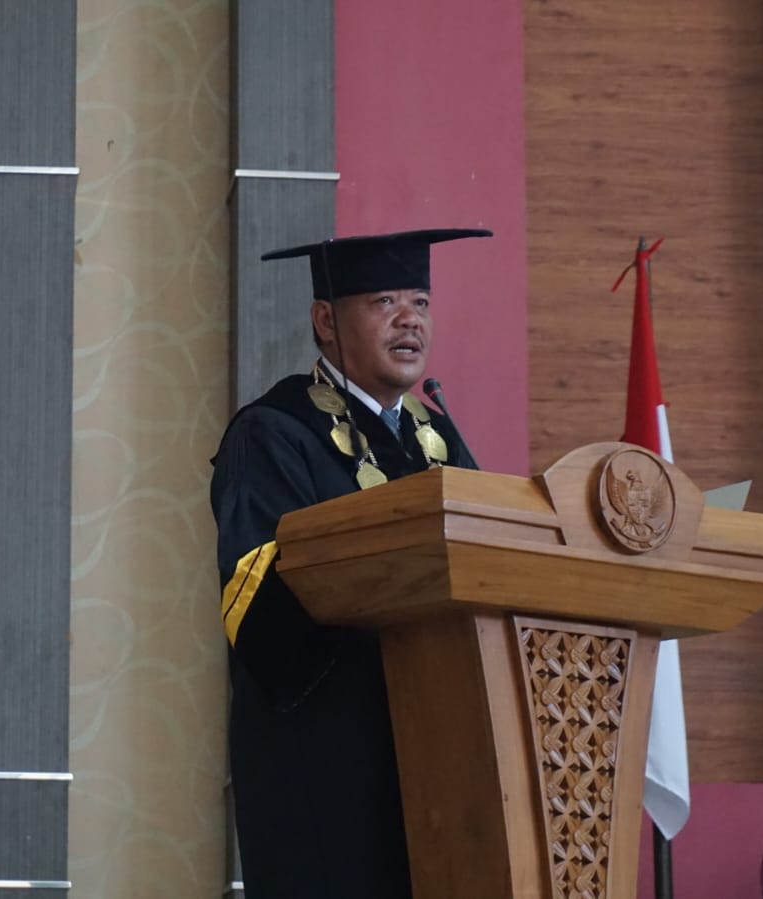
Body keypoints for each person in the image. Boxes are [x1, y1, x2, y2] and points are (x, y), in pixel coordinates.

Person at [209, 229, 488, 897]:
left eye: (419, 301)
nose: (409, 319)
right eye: (384, 300)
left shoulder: (435, 436)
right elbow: (255, 591)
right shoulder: (274, 430)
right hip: (327, 752)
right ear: (325, 320)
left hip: (440, 748)